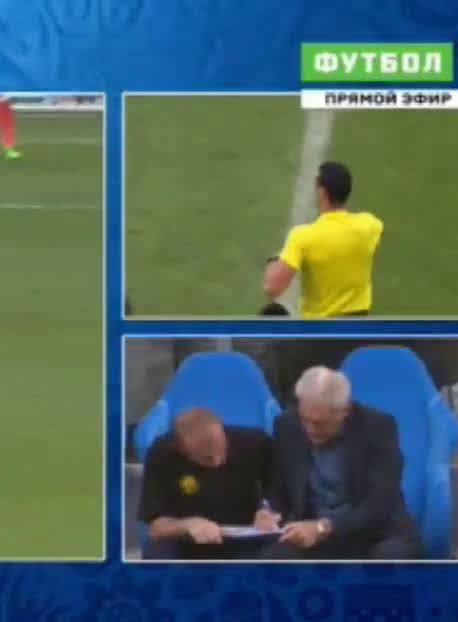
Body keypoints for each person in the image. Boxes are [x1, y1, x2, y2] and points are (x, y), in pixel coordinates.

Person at [260, 366, 425, 560]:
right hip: (310, 534)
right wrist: (268, 512)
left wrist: (323, 527)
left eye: (319, 423)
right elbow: (279, 490)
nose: (309, 430)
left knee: (391, 556)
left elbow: (380, 502)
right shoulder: (286, 425)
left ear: (344, 411)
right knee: (273, 557)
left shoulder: (378, 427)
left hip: (372, 533)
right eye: (304, 420)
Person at [138, 408, 274, 560]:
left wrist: (268, 510)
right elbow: (156, 529)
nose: (217, 461)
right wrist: (187, 524)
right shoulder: (162, 454)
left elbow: (280, 491)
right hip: (187, 540)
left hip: (245, 536)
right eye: (206, 457)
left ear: (224, 433)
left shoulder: (255, 443)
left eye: (221, 449)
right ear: (182, 448)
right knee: (157, 551)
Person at [263, 161, 382, 318]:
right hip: (358, 327)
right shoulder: (370, 226)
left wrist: (276, 259)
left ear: (323, 192)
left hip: (318, 330)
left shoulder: (302, 237)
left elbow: (272, 288)